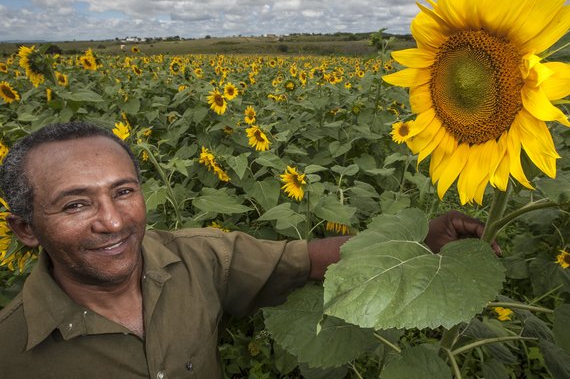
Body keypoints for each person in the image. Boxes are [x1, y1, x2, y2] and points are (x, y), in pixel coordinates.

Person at [0, 121, 496, 378]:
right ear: (25, 228)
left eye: (124, 191)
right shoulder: (10, 354)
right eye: (74, 205)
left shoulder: (200, 258)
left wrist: (416, 243)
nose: (112, 221)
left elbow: (302, 260)